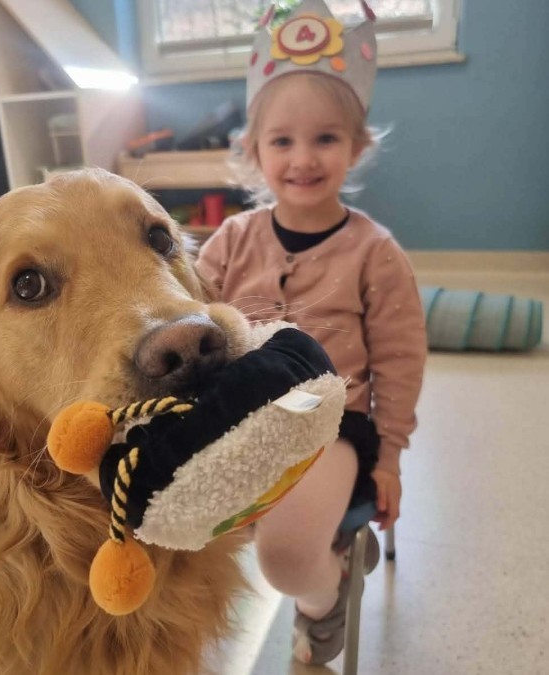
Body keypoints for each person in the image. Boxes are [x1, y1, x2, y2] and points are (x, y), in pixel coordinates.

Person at [195, 0, 427, 666]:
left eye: (325, 138)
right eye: (281, 141)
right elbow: (193, 314)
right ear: (253, 150)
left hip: (332, 425)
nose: (302, 158)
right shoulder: (231, 239)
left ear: (356, 146)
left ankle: (326, 599)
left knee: (289, 558)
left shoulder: (375, 252)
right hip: (236, 416)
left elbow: (399, 359)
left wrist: (389, 458)